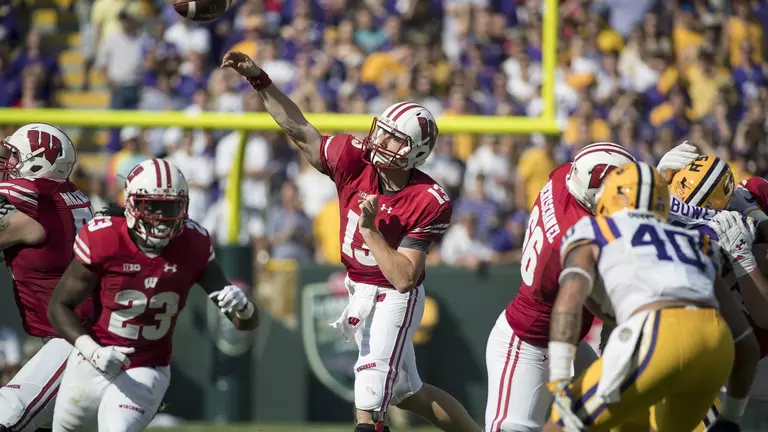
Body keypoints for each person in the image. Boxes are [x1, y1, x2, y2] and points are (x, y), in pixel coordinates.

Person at [222, 50, 480, 432]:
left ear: (415, 154)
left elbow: (404, 278)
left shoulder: (429, 200)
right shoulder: (352, 158)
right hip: (358, 285)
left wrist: (372, 230)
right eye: (383, 132)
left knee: (371, 381)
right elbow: (298, 129)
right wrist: (259, 78)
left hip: (394, 294)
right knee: (409, 393)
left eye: (393, 141)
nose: (380, 141)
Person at [484, 140, 697, 431]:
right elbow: (610, 305)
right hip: (527, 345)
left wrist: (650, 180)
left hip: (567, 342)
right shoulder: (576, 238)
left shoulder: (564, 179)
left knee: (622, 419)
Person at [544, 162, 758, 432]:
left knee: (559, 425)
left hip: (656, 335)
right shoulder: (694, 242)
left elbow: (568, 305)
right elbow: (746, 345)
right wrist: (732, 418)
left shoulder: (592, 230)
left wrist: (561, 379)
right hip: (715, 346)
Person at [47, 159, 259, 432]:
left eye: (169, 206)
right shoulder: (105, 239)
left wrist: (244, 309)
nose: (161, 217)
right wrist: (94, 351)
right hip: (92, 359)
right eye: (153, 206)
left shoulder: (192, 245)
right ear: (133, 204)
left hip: (146, 368)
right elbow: (59, 306)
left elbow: (245, 322)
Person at [0, 123, 93, 432]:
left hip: (82, 339)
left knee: (7, 413)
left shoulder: (36, 207)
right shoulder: (62, 195)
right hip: (82, 336)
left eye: (14, 156)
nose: (7, 163)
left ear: (38, 161)